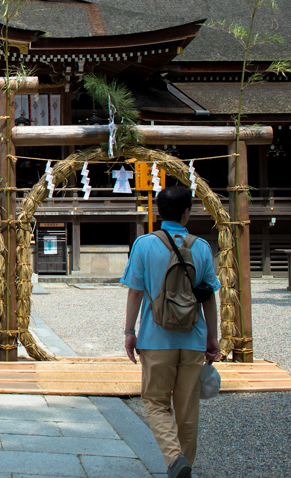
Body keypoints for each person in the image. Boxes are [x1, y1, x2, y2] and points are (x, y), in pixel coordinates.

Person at [121, 186, 221, 478]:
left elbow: (135, 292)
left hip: (156, 337)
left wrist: (130, 331)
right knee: (187, 409)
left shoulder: (144, 244)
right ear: (187, 213)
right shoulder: (201, 247)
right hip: (193, 338)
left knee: (155, 401)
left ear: (158, 212)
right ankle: (182, 465)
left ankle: (174, 458)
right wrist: (212, 337)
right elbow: (209, 297)